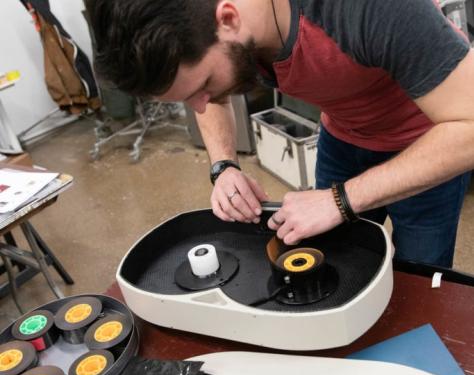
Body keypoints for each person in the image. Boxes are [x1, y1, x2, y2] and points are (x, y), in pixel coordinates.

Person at [86, 0, 474, 267]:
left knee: (419, 279)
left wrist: (340, 200)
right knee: (335, 263)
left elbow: (469, 126)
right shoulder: (210, 26)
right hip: (343, 137)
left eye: (203, 85)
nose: (201, 105)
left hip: (429, 142)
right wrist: (223, 166)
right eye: (189, 98)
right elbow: (211, 96)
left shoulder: (370, 8)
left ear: (228, 18)